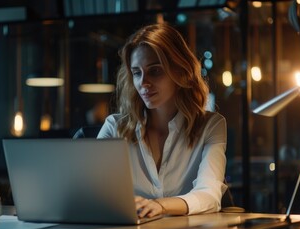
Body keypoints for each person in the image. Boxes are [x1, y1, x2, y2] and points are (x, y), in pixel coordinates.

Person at [97, 23, 227, 218]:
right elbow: (90, 192)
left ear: (181, 71)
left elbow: (209, 195)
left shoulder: (211, 125)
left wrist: (160, 206)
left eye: (155, 71)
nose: (143, 83)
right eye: (137, 73)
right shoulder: (114, 128)